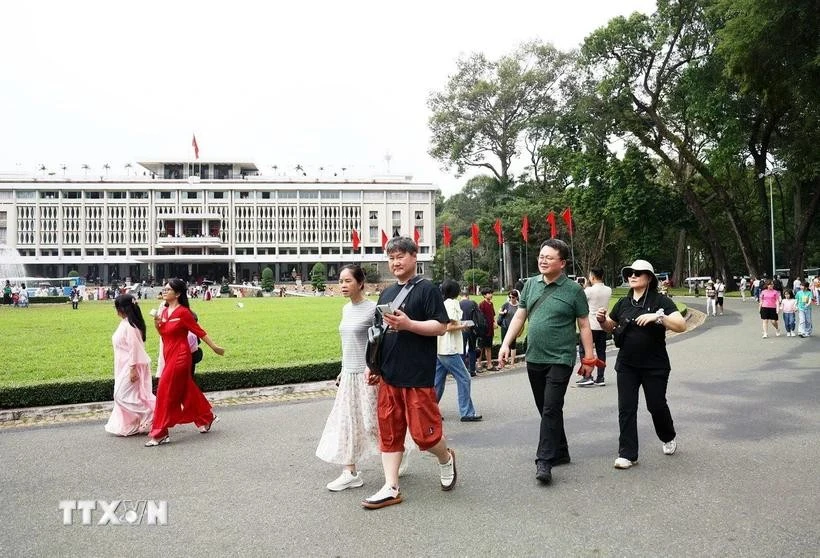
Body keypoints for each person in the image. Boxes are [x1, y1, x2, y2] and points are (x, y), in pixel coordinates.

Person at [361, 236, 455, 510]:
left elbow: (440, 327)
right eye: (391, 258)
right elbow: (379, 334)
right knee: (389, 433)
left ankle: (445, 458)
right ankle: (391, 486)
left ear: (415, 257)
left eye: (400, 256)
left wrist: (409, 324)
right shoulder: (387, 294)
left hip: (416, 375)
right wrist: (375, 367)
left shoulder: (427, 290)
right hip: (389, 375)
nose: (395, 262)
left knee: (425, 436)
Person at [498, 239, 595, 486]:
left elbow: (584, 325)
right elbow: (520, 316)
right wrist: (506, 343)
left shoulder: (573, 290)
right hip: (535, 356)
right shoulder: (530, 285)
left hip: (561, 358)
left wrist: (589, 357)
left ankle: (544, 460)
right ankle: (561, 450)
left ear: (562, 263)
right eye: (541, 256)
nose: (542, 260)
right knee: (545, 408)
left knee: (551, 407)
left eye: (549, 257)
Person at [595, 259, 687, 470]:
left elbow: (681, 325)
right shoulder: (623, 304)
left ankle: (668, 435)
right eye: (630, 273)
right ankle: (627, 453)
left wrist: (658, 317)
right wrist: (602, 320)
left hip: (655, 365)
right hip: (627, 364)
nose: (633, 276)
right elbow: (612, 326)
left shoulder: (660, 301)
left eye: (638, 272)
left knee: (656, 405)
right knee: (626, 408)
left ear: (649, 278)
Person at [316, 265, 381, 491]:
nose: (342, 285)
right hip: (349, 375)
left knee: (374, 423)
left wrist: (374, 369)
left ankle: (397, 452)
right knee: (347, 423)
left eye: (348, 281)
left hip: (368, 376)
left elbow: (379, 343)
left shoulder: (374, 309)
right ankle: (349, 471)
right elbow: (347, 345)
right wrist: (343, 369)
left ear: (361, 283)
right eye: (340, 281)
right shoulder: (346, 310)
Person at [146, 278, 225, 447]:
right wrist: (157, 323)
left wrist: (215, 347)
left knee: (163, 391)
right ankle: (207, 417)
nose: (165, 291)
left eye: (168, 289)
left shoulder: (183, 313)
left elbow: (199, 332)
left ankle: (160, 432)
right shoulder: (165, 311)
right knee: (186, 390)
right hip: (169, 354)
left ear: (178, 293)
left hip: (181, 357)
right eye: (164, 288)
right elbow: (163, 334)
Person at [105, 293, 156, 436]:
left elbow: (134, 348)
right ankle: (136, 421)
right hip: (123, 365)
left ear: (123, 309)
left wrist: (133, 368)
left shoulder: (130, 326)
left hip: (131, 365)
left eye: (117, 308)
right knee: (131, 395)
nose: (116, 312)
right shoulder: (126, 323)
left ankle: (152, 413)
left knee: (121, 395)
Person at [435, 279, 482, 422]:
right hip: (449, 349)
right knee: (464, 377)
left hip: (440, 347)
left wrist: (460, 324)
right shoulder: (451, 304)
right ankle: (466, 412)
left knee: (437, 382)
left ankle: (429, 411)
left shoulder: (441, 304)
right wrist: (463, 326)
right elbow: (448, 327)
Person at [576, 267, 612, 387]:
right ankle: (600, 377)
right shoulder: (608, 290)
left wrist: (585, 286)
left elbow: (580, 300)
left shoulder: (589, 291)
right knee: (601, 351)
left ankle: (587, 376)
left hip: (590, 326)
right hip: (602, 324)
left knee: (584, 350)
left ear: (592, 277)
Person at [497, 289, 519, 368]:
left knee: (513, 344)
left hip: (514, 327)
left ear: (516, 297)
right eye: (509, 297)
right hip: (505, 326)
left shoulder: (519, 306)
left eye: (513, 297)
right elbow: (499, 311)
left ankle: (512, 362)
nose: (511, 298)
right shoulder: (506, 304)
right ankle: (501, 363)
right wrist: (503, 313)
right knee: (504, 343)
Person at [459, 289, 479, 377]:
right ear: (468, 295)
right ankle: (472, 370)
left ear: (461, 296)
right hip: (472, 327)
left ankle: (463, 370)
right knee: (472, 349)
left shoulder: (458, 304)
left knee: (462, 350)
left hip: (461, 328)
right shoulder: (473, 303)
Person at [478, 287, 497, 371]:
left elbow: (493, 315)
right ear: (484, 295)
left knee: (489, 347)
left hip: (490, 329)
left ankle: (489, 364)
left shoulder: (491, 304)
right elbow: (480, 317)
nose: (491, 295)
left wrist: (494, 323)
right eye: (489, 293)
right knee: (481, 347)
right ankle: (478, 364)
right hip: (483, 330)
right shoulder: (482, 304)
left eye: (491, 293)